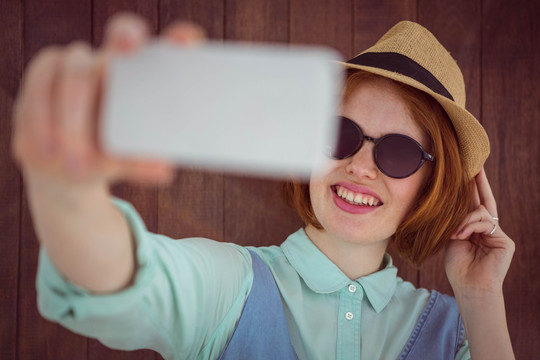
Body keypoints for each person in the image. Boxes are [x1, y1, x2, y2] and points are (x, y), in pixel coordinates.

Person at [12, 13, 515, 360]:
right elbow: (124, 273)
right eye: (340, 134)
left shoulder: (463, 331)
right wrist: (68, 190)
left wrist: (481, 296)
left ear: (433, 182)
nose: (361, 167)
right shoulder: (232, 285)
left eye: (399, 152)